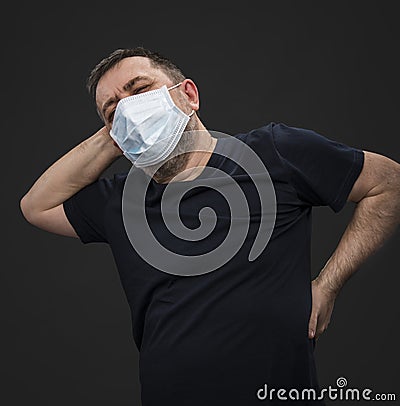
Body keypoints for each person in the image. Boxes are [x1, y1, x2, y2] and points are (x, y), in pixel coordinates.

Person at [20, 47, 400, 406]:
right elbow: (37, 206)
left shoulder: (275, 153)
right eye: (112, 110)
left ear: (188, 94)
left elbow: (389, 184)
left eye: (141, 90)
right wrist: (117, 132)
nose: (130, 111)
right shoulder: (119, 202)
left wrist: (328, 285)